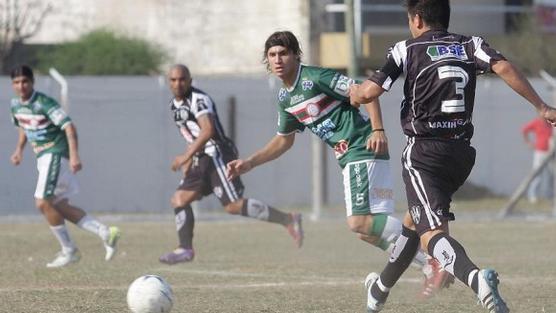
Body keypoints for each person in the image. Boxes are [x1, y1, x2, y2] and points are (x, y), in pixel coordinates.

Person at [349, 0, 556, 312]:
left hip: (423, 153)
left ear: (416, 19)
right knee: (413, 222)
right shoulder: (470, 44)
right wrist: (541, 106)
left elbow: (369, 93)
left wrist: (355, 93)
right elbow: (504, 67)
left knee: (430, 234)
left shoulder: (406, 49)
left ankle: (476, 279)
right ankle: (379, 290)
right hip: (460, 154)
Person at [226, 30, 448, 297]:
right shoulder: (285, 98)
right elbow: (283, 141)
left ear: (296, 55)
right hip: (353, 157)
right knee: (367, 230)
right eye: (272, 55)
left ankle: (434, 255)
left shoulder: (315, 78)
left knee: (358, 223)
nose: (278, 59)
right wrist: (249, 163)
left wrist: (378, 130)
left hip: (361, 147)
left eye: (283, 53)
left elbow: (365, 92)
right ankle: (428, 265)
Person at [158, 64, 303, 265]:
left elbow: (207, 130)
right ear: (168, 82)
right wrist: (190, 159)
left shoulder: (198, 99)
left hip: (217, 154)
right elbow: (191, 134)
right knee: (179, 199)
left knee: (233, 206)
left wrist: (185, 156)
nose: (178, 83)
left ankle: (288, 219)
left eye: (182, 79)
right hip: (201, 158)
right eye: (173, 80)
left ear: (190, 80)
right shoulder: (174, 105)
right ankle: (185, 249)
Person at [9, 65, 121, 268]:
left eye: (25, 81)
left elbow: (69, 126)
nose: (21, 85)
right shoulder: (16, 106)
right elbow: (24, 127)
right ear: (12, 85)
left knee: (42, 203)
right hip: (42, 158)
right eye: (16, 82)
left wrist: (74, 155)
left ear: (32, 82)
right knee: (58, 205)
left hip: (54, 153)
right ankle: (105, 232)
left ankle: (69, 251)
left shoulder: (44, 102)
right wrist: (19, 150)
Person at [522, 116, 553, 203]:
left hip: (551, 153)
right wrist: (528, 143)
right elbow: (524, 130)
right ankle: (532, 195)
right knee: (537, 175)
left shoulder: (551, 123)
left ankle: (549, 196)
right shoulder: (536, 122)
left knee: (551, 175)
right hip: (540, 152)